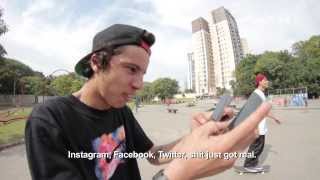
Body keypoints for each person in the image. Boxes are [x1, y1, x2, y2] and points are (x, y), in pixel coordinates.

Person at [25, 24, 271, 180]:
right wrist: (174, 176)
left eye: (143, 73)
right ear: (97, 63)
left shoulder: (119, 111)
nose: (139, 84)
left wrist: (192, 139)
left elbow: (153, 155)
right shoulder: (49, 119)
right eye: (131, 69)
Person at [243, 73, 280, 172]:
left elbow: (264, 111)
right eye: (265, 80)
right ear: (260, 82)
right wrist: (255, 128)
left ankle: (252, 164)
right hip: (257, 126)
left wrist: (274, 118)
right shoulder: (257, 94)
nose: (267, 82)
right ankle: (249, 165)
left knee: (259, 146)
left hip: (261, 126)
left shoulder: (261, 94)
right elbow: (251, 111)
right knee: (256, 147)